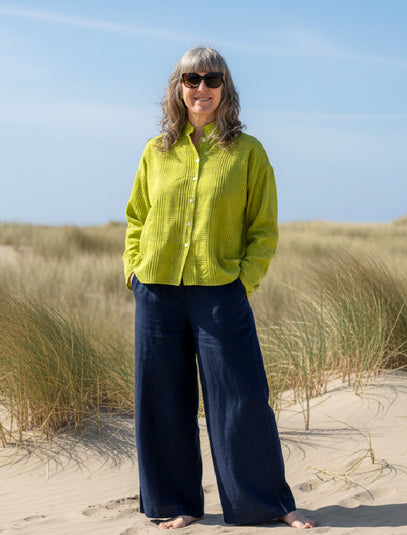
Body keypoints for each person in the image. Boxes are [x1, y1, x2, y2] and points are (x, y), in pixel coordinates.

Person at [123, 47, 317, 530]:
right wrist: (134, 270)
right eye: (192, 79)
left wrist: (243, 280)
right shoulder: (156, 151)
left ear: (225, 88)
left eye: (212, 80)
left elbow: (263, 229)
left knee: (242, 399)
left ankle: (265, 505)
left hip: (220, 291)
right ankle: (175, 505)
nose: (201, 88)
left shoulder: (248, 153)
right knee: (162, 401)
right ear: (178, 87)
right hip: (157, 289)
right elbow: (136, 217)